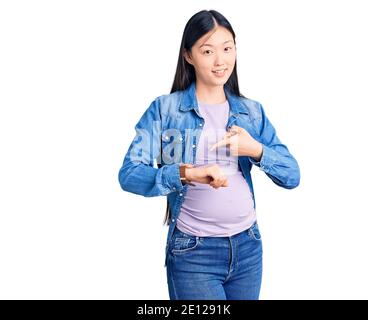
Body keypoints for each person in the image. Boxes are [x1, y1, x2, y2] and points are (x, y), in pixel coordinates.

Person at [118, 9, 300, 300]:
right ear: (189, 55)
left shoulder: (251, 112)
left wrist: (255, 150)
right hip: (193, 253)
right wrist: (188, 174)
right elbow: (129, 174)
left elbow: (292, 175)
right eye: (207, 51)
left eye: (227, 48)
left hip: (248, 247)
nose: (220, 61)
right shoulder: (165, 110)